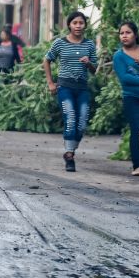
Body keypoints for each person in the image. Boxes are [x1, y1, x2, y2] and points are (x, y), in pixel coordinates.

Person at [43, 11, 98, 172]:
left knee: (81, 123)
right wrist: (50, 83)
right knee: (71, 118)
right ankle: (69, 155)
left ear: (85, 25)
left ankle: (71, 150)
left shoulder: (89, 44)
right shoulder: (60, 43)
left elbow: (95, 70)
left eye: (81, 23)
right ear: (69, 25)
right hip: (64, 87)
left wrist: (88, 63)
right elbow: (46, 60)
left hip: (82, 88)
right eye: (75, 23)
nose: (78, 26)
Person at [113, 21, 139, 176]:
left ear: (135, 34)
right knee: (137, 128)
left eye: (128, 32)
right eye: (121, 33)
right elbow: (124, 77)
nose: (124, 36)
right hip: (131, 97)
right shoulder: (119, 56)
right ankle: (137, 165)